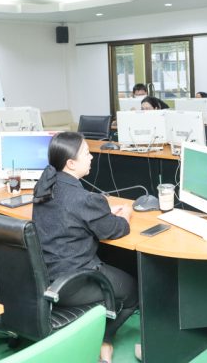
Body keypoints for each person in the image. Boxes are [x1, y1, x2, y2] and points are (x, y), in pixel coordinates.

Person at [32, 132, 136, 363]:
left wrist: (100, 213)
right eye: (87, 153)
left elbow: (69, 214)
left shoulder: (44, 185)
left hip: (45, 277)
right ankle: (104, 340)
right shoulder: (85, 200)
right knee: (134, 291)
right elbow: (117, 229)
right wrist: (127, 213)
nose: (92, 157)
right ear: (70, 163)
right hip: (73, 282)